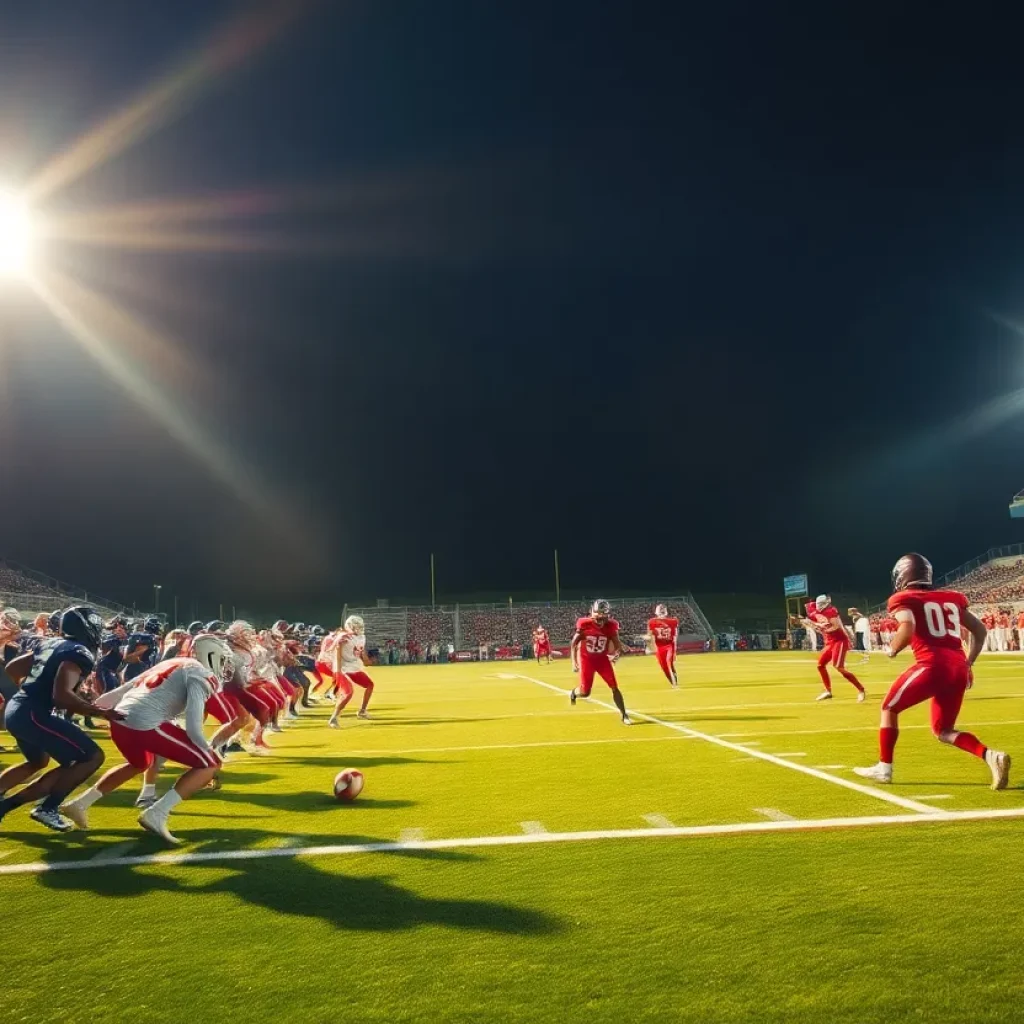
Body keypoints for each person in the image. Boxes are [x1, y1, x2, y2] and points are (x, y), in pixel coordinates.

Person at [854, 553, 1010, 789]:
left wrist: (891, 649)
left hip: (932, 665)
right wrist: (968, 664)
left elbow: (907, 629)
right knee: (943, 730)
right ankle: (990, 756)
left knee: (889, 707)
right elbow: (979, 631)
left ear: (903, 575)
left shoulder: (904, 598)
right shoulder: (951, 597)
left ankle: (884, 768)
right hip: (958, 667)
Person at [62, 634, 231, 844]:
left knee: (139, 763)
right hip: (145, 722)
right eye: (222, 660)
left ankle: (79, 804)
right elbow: (194, 726)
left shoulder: (172, 662)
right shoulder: (201, 675)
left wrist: (103, 713)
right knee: (210, 765)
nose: (224, 666)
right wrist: (209, 753)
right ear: (212, 656)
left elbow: (115, 694)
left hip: (119, 718)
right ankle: (157, 813)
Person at [0, 607, 124, 832]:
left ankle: (5, 806)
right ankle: (48, 807)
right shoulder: (79, 651)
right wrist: (98, 712)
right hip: (33, 713)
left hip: (19, 708)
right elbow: (62, 695)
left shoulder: (51, 643)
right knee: (92, 757)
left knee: (39, 762)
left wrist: (29, 689)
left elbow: (13, 667)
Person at [569, 599, 631, 725]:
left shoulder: (611, 626)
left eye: (603, 615)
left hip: (602, 660)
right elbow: (574, 643)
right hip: (587, 660)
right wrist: (574, 661)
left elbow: (617, 644)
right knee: (585, 693)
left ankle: (624, 714)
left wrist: (616, 655)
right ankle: (574, 692)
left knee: (614, 687)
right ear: (592, 612)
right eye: (598, 614)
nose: (600, 618)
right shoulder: (584, 624)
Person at [806, 595, 866, 702]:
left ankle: (861, 690)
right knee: (820, 665)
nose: (818, 606)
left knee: (839, 667)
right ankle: (827, 691)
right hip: (829, 642)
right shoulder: (814, 611)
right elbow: (816, 622)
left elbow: (835, 626)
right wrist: (812, 624)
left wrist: (822, 628)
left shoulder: (831, 611)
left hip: (839, 640)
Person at [327, 615, 375, 725]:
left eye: (359, 626)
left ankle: (362, 711)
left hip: (353, 665)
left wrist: (366, 661)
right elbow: (337, 653)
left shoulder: (362, 637)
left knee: (370, 685)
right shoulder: (344, 636)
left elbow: (361, 651)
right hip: (342, 666)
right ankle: (333, 718)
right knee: (348, 692)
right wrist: (338, 670)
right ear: (349, 626)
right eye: (356, 626)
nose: (358, 628)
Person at [647, 603, 679, 687]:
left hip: (669, 645)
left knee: (669, 663)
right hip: (659, 646)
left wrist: (674, 650)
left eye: (662, 609)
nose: (661, 611)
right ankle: (673, 682)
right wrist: (649, 645)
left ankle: (675, 683)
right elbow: (650, 635)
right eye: (660, 609)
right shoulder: (652, 622)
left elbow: (675, 636)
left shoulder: (673, 621)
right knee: (664, 667)